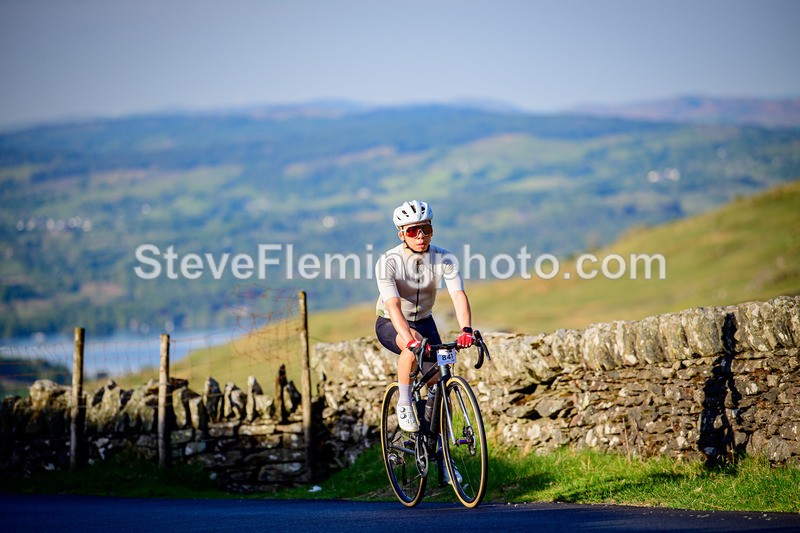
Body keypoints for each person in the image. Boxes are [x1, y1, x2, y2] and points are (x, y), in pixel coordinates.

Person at [374, 200, 475, 435]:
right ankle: (405, 402)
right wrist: (408, 339)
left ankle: (440, 451)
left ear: (432, 230)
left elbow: (458, 295)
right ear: (401, 234)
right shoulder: (388, 262)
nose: (420, 236)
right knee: (413, 346)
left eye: (425, 230)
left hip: (424, 320)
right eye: (412, 231)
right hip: (391, 321)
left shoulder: (445, 258)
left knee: (439, 383)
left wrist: (467, 330)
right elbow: (394, 305)